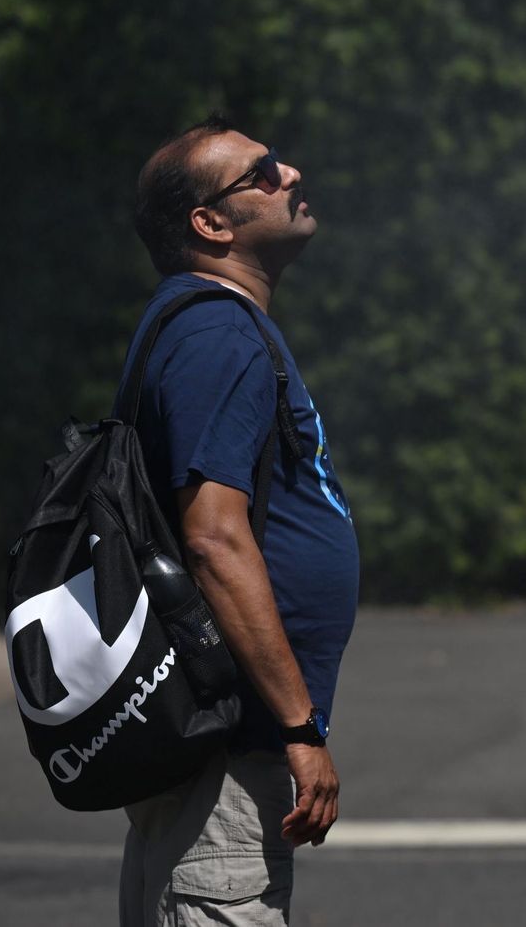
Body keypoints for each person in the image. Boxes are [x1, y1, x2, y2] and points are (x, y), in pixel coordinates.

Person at [115, 115, 360, 926]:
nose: (288, 174)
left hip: (211, 739)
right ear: (210, 225)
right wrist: (299, 727)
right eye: (260, 174)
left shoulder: (209, 325)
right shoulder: (218, 334)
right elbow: (215, 537)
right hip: (226, 744)